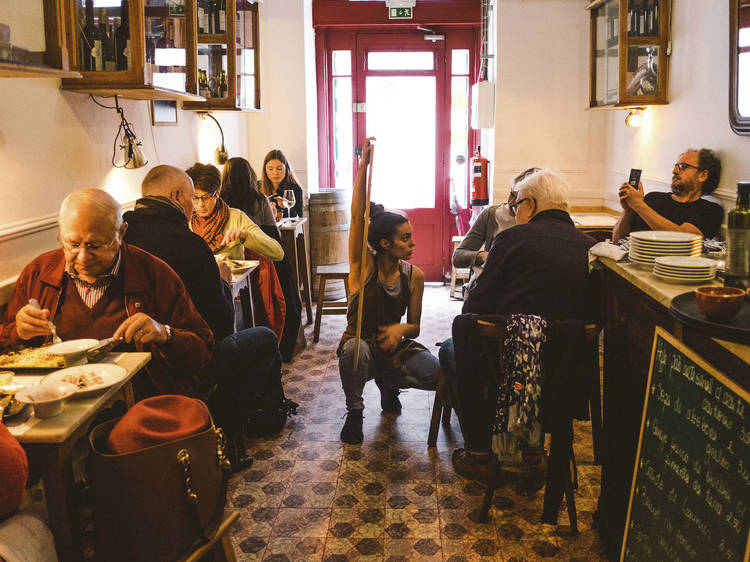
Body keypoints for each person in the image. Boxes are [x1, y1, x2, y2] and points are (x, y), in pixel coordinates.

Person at [123, 165, 288, 470]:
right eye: (191, 199)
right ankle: (229, 429)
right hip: (183, 360)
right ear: (176, 196)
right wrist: (223, 282)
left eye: (203, 198)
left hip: (133, 366)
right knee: (263, 339)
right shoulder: (189, 244)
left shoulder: (121, 238)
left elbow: (276, 250)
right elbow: (222, 324)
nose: (196, 207)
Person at [439, 169, 597, 487]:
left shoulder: (511, 239)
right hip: (563, 375)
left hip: (510, 372)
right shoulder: (590, 247)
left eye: (518, 206)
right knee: (531, 350)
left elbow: (475, 308)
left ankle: (480, 454)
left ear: (531, 204)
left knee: (454, 348)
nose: (515, 212)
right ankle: (533, 455)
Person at [0, 189, 213, 398]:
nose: (83, 257)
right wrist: (18, 331)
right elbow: (6, 349)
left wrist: (164, 334)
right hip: (58, 402)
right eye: (73, 244)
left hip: (138, 403)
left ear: (121, 233)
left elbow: (202, 350)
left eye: (95, 246)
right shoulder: (38, 274)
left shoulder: (154, 274)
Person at [338, 139, 440, 445]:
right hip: (363, 346)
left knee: (436, 376)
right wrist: (362, 167)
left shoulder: (415, 277)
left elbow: (416, 327)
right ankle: (355, 412)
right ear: (385, 243)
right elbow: (357, 218)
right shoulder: (361, 269)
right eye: (405, 239)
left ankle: (388, 384)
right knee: (354, 353)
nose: (413, 244)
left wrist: (401, 329)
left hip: (395, 350)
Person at [452, 167, 540, 295]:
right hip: (490, 287)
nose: (510, 202)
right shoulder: (491, 214)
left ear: (531, 203)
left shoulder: (539, 221)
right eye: (511, 194)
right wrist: (481, 256)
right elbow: (458, 256)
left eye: (517, 199)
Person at [611, 148, 724, 241]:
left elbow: (683, 239)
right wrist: (628, 211)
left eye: (683, 166)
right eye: (676, 166)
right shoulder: (652, 199)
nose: (674, 171)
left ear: (703, 175)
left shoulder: (710, 211)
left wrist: (638, 204)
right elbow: (617, 239)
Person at [186, 162, 284, 262]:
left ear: (217, 193)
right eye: (195, 198)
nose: (200, 204)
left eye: (206, 197)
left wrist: (245, 236)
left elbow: (278, 252)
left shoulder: (235, 217)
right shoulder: (187, 221)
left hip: (232, 277)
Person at [221, 157, 279, 231]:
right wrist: (272, 216)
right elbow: (274, 234)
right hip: (256, 241)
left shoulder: (219, 201)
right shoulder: (260, 200)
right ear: (250, 175)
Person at [260, 149, 304, 219]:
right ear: (265, 170)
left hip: (287, 229)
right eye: (270, 169)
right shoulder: (257, 187)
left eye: (279, 169)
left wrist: (285, 207)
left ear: (286, 169)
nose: (275, 173)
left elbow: (299, 218)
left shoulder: (295, 189)